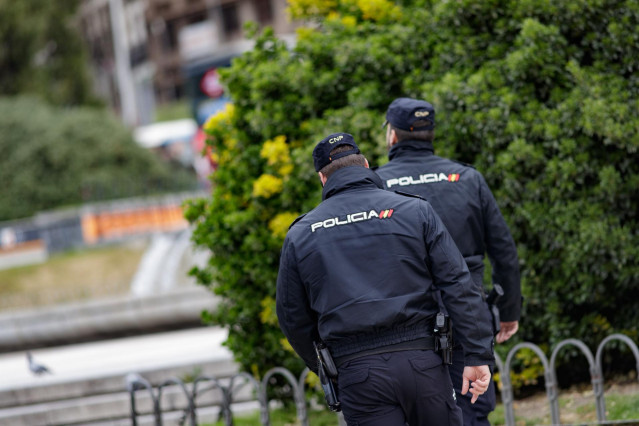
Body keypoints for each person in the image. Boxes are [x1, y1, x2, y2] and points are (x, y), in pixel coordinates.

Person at [276, 132, 495, 425]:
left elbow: (292, 316)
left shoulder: (301, 234)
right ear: (366, 165)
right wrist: (477, 354)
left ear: (322, 178)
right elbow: (458, 284)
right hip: (423, 361)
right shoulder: (414, 210)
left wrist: (326, 365)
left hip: (357, 371)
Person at [376, 98, 522, 426]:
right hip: (468, 313)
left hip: (406, 320)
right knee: (471, 409)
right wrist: (508, 310)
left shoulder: (376, 187)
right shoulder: (468, 179)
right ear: (431, 133)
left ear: (393, 136)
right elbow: (504, 252)